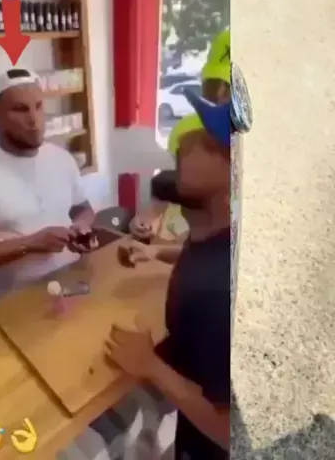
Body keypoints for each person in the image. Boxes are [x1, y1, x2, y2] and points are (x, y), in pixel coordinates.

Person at [108, 90, 232, 459]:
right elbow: (201, 252)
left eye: (211, 143)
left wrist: (151, 367)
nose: (190, 139)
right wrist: (157, 251)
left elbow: (231, 431)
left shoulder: (220, 292)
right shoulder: (216, 232)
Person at [0, 68, 98, 305]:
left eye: (39, 106)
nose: (34, 120)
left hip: (71, 290)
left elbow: (83, 209)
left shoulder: (60, 157)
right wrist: (30, 244)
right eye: (20, 109)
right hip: (12, 306)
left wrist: (81, 227)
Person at [130, 29, 231, 241]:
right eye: (222, 85)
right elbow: (169, 188)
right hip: (177, 239)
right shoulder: (185, 131)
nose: (222, 94)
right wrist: (147, 217)